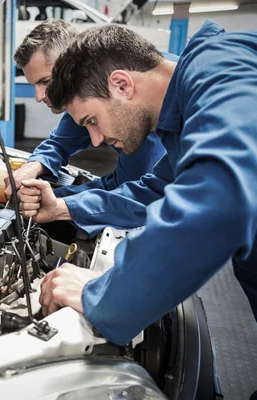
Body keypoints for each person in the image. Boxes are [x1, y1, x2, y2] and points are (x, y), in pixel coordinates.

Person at [18, 20, 257, 345]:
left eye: (92, 121)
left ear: (122, 85)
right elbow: (154, 192)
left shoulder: (220, 71)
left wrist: (101, 296)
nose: (96, 140)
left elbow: (218, 202)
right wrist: (61, 207)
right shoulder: (184, 120)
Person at [5, 20, 170, 236]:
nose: (38, 97)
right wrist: (33, 168)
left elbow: (141, 193)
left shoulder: (141, 110)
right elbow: (62, 141)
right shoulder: (98, 97)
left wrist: (64, 202)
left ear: (74, 65)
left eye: (46, 81)